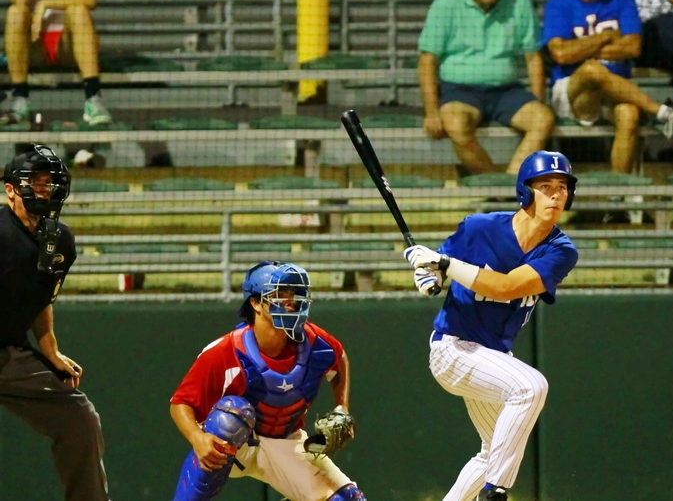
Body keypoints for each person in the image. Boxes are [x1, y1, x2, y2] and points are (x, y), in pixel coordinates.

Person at [403, 150, 580, 501]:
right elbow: (437, 263)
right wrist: (428, 274)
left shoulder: (561, 250)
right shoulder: (478, 227)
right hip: (453, 348)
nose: (556, 195)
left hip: (493, 357)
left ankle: (486, 486)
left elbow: (506, 286)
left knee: (491, 451)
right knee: (530, 387)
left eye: (562, 187)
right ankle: (496, 492)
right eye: (545, 186)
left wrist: (445, 265)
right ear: (525, 192)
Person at [169, 261, 366, 501]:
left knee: (348, 499)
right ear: (255, 303)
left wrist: (341, 407)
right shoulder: (226, 351)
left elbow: (339, 358)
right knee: (231, 416)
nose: (290, 301)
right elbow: (180, 404)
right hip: (236, 444)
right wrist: (197, 438)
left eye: (294, 294)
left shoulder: (316, 342)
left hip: (285, 440)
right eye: (280, 295)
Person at [1, 145, 112, 501]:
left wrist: (50, 348)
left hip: (9, 354)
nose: (44, 189)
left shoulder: (60, 240)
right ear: (10, 189)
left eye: (49, 183)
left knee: (79, 418)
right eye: (35, 182)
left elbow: (41, 297)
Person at [542, 0, 673, 175]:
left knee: (629, 114)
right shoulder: (559, 2)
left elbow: (633, 47)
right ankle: (662, 113)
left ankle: (619, 188)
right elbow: (562, 54)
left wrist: (581, 48)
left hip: (617, 91)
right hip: (574, 92)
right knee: (591, 69)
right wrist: (605, 36)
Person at [417, 0, 556, 176]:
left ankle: (512, 182)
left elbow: (533, 58)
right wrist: (431, 112)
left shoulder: (519, 3)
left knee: (543, 118)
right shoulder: (446, 4)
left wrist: (537, 99)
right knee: (455, 124)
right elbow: (427, 61)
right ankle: (494, 185)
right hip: (460, 91)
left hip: (507, 91)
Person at [2, 0, 113, 126]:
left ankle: (94, 100)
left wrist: (46, 4)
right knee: (15, 13)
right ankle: (20, 100)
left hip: (67, 45)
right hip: (35, 47)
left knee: (79, 11)